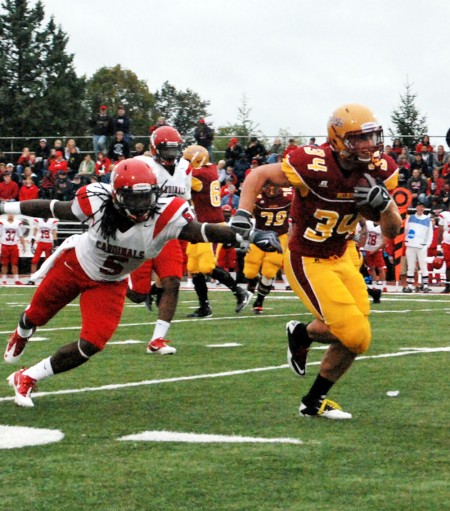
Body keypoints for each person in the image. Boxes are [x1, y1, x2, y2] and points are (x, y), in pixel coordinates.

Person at [1, 158, 281, 408]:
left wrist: (250, 236)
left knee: (92, 343)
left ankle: (26, 376)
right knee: (35, 315)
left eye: (146, 197)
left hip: (109, 282)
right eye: (133, 199)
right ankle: (22, 331)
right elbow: (52, 207)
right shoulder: (97, 201)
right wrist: (4, 207)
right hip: (75, 265)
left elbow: (200, 232)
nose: (141, 206)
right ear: (116, 195)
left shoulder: (167, 214)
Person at [230, 103, 401, 419]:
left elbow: (393, 230)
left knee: (356, 331)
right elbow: (258, 174)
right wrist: (242, 213)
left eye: (373, 137)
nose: (369, 145)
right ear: (338, 140)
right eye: (359, 139)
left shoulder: (379, 168)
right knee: (356, 334)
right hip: (307, 258)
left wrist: (386, 206)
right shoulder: (313, 163)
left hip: (341, 256)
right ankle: (305, 348)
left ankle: (312, 395)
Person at [128, 126, 193, 354]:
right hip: (141, 232)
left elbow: (185, 200)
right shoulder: (142, 165)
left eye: (175, 150)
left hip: (168, 233)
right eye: (167, 150)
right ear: (155, 149)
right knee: (137, 295)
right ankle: (117, 277)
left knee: (173, 282)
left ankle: (157, 340)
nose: (172, 155)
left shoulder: (185, 167)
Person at [182, 145, 252, 318]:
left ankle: (240, 292)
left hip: (211, 225)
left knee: (207, 266)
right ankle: (204, 307)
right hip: (200, 225)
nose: (186, 163)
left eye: (188, 160)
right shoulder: (210, 169)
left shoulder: (199, 175)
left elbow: (181, 185)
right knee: (194, 267)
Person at [243, 184, 292, 314]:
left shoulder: (288, 197)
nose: (271, 191)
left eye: (274, 188)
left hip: (279, 236)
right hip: (260, 234)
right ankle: (251, 287)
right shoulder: (257, 197)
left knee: (270, 271)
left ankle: (259, 301)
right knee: (249, 270)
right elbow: (245, 213)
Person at [402, 201, 433, 293]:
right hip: (410, 245)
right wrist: (407, 241)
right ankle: (410, 286)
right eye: (419, 206)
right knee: (410, 266)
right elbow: (406, 230)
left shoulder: (427, 220)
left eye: (422, 207)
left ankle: (425, 285)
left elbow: (430, 234)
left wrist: (427, 245)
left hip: (421, 246)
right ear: (416, 207)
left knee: (423, 265)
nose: (421, 208)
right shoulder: (410, 218)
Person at [28, 216, 58, 283]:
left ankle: (47, 278)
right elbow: (34, 231)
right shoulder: (38, 220)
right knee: (34, 261)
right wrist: (32, 243)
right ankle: (32, 278)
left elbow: (54, 233)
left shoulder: (52, 221)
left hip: (49, 243)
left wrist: (55, 244)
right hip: (40, 243)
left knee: (49, 262)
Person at [0, 213, 26, 285]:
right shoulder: (2, 222)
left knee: (15, 263)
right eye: (9, 214)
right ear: (7, 215)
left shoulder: (17, 223)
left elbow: (20, 235)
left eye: (12, 214)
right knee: (4, 264)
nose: (10, 215)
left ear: (14, 215)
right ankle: (4, 280)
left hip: (14, 245)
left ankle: (16, 280)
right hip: (5, 245)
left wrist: (23, 245)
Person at [361, 220, 387, 288]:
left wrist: (375, 250)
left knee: (380, 268)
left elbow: (384, 243)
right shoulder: (368, 223)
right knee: (371, 267)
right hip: (367, 248)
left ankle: (383, 285)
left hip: (377, 249)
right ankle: (374, 284)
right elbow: (362, 233)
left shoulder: (383, 227)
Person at [438, 209, 450, 293]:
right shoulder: (444, 214)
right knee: (448, 265)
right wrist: (439, 246)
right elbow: (440, 231)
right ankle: (448, 285)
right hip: (447, 242)